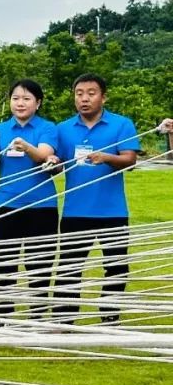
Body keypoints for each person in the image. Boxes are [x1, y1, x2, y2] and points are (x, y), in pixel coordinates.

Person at [52, 74, 140, 324]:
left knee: (116, 267)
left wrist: (107, 157)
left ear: (104, 97)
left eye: (91, 93)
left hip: (112, 211)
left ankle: (109, 315)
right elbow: (57, 164)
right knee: (69, 266)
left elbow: (130, 160)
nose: (84, 99)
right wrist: (53, 162)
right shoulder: (63, 129)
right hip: (74, 211)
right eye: (79, 93)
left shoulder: (121, 124)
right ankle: (64, 318)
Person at [0, 79, 59, 320]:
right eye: (15, 98)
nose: (20, 103)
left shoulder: (47, 128)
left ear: (38, 103)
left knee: (40, 265)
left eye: (26, 98)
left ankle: (37, 318)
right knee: (2, 264)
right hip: (6, 204)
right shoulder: (1, 129)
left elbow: (44, 156)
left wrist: (26, 146)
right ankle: (1, 319)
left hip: (41, 206)